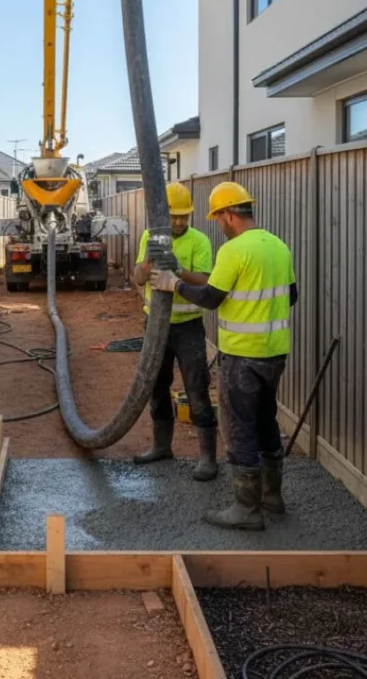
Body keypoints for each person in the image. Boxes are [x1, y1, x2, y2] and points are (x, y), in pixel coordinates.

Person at [150, 181, 297, 531]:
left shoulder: (233, 251)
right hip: (275, 353)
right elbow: (291, 296)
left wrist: (174, 284)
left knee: (239, 428)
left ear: (229, 215)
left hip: (242, 356)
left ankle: (246, 509)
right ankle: (272, 496)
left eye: (218, 218)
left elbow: (211, 298)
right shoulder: (278, 246)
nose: (219, 224)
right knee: (267, 421)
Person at [131, 182, 218, 481]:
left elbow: (205, 281)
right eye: (174, 216)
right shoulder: (149, 236)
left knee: (196, 387)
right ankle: (161, 447)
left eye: (184, 216)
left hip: (188, 326)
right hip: (155, 326)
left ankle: (208, 458)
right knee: (156, 386)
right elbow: (138, 278)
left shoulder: (199, 241)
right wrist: (148, 261)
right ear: (163, 214)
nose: (179, 221)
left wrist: (178, 269)